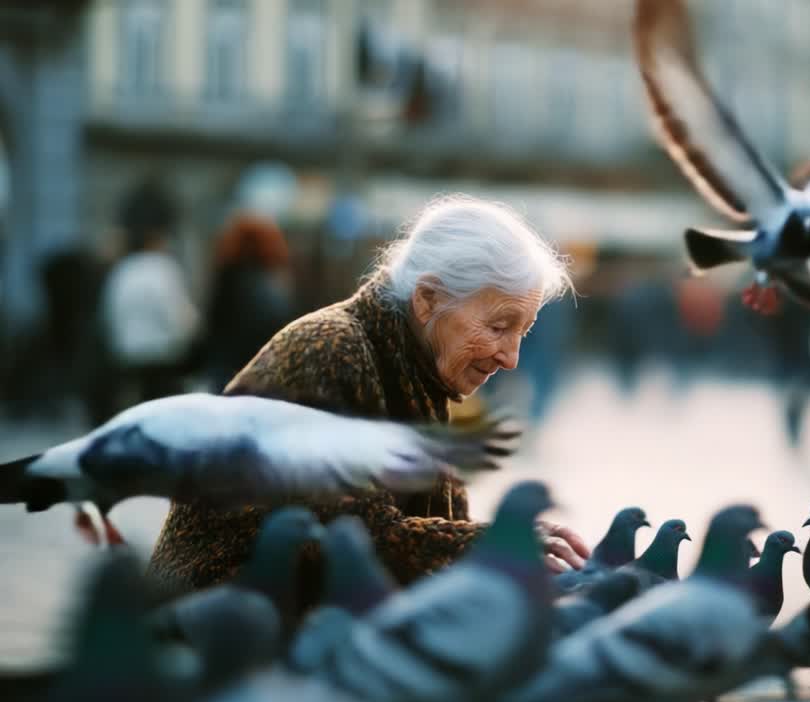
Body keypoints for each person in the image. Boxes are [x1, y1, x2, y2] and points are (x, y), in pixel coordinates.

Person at [147, 195, 590, 603]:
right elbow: (354, 535)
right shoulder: (332, 349)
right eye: (497, 327)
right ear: (428, 299)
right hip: (215, 628)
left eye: (522, 333)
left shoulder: (413, 371)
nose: (511, 358)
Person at [99, 180, 202, 408]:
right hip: (162, 357)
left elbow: (111, 313)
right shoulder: (163, 268)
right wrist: (190, 335)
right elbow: (178, 316)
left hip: (128, 356)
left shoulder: (123, 269)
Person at [203, 214, 297, 392]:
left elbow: (214, 325)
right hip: (263, 370)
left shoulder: (227, 276)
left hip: (226, 370)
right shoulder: (271, 282)